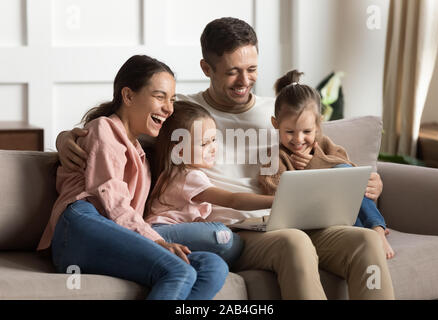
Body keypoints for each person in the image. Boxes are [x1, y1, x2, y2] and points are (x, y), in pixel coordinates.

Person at [55, 18, 395, 299]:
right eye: (233, 71)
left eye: (251, 69)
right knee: (294, 242)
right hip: (235, 230)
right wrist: (67, 138)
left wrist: (364, 181)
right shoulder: (182, 112)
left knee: (364, 241)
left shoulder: (277, 113)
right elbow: (122, 127)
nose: (244, 81)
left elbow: (325, 155)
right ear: (207, 67)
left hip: (289, 218)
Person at [37, 55, 229, 300]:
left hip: (116, 232)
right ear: (128, 96)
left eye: (171, 99)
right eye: (160, 97)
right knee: (179, 270)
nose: (169, 109)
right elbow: (113, 201)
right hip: (79, 226)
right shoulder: (104, 128)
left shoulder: (142, 147)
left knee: (212, 266)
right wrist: (157, 242)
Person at [258, 69, 395, 259]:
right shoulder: (272, 155)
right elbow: (276, 195)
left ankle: (377, 229)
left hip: (337, 211)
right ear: (275, 123)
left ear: (318, 125)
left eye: (307, 131)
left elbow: (349, 170)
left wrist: (315, 163)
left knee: (343, 171)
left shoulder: (322, 143)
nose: (298, 139)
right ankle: (365, 234)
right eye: (289, 131)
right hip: (307, 218)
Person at [145, 101, 273, 266]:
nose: (213, 148)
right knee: (225, 236)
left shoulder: (174, 173)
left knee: (222, 252)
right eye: (204, 144)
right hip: (160, 232)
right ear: (180, 150)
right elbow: (233, 200)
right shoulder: (189, 176)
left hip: (163, 232)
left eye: (213, 139)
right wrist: (275, 200)